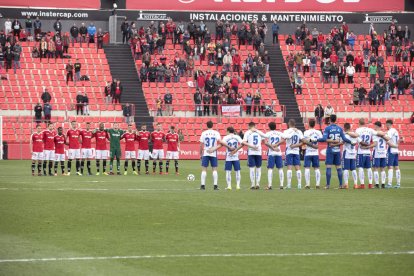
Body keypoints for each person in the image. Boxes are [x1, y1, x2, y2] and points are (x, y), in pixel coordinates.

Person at [314, 115, 353, 189]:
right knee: (338, 167)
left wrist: (316, 139)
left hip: (330, 149)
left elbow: (324, 139)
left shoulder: (327, 128)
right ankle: (341, 185)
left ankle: (328, 185)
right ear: (336, 120)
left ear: (329, 120)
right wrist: (351, 142)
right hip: (338, 150)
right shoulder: (340, 128)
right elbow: (344, 138)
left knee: (329, 166)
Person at [355, 118, 383, 189]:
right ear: (364, 123)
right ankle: (370, 184)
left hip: (361, 152)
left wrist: (364, 146)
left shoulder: (358, 130)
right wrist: (385, 134)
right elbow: (378, 133)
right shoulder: (370, 130)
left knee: (360, 168)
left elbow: (359, 140)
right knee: (369, 168)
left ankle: (362, 185)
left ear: (359, 123)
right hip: (368, 152)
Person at [366, 121, 395, 189]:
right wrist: (384, 135)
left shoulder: (375, 134)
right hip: (383, 153)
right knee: (383, 169)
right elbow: (388, 139)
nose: (374, 127)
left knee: (375, 168)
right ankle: (383, 184)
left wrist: (368, 146)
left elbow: (375, 143)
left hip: (377, 153)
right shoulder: (384, 133)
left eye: (374, 126)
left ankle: (376, 184)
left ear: (376, 126)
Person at [199, 120, 225, 190]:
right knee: (214, 169)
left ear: (206, 126)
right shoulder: (216, 133)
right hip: (213, 153)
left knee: (204, 169)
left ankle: (202, 185)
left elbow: (201, 145)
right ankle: (215, 185)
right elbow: (220, 142)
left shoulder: (204, 133)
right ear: (212, 125)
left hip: (206, 152)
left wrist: (200, 154)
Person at [243, 122, 267, 189]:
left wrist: (252, 146)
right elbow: (265, 138)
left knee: (252, 168)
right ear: (254, 126)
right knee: (258, 168)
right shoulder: (259, 132)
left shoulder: (247, 132)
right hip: (258, 152)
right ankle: (258, 184)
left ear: (249, 126)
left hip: (251, 152)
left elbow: (244, 142)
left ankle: (253, 184)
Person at [282, 119, 304, 189]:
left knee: (289, 168)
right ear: (295, 124)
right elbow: (303, 141)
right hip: (296, 151)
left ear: (289, 123)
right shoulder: (299, 131)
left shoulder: (287, 131)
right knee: (297, 168)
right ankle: (299, 184)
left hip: (289, 151)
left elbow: (284, 137)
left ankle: (289, 185)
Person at [302, 120, 323, 189]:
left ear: (308, 124)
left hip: (308, 152)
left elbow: (305, 141)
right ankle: (317, 184)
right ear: (314, 124)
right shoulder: (318, 132)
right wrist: (315, 143)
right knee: (316, 168)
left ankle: (307, 184)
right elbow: (321, 139)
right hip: (315, 152)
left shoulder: (306, 132)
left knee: (307, 168)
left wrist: (310, 141)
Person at [265, 122, 285, 189]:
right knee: (280, 169)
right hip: (278, 153)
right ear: (275, 127)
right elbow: (284, 139)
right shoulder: (279, 133)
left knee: (270, 169)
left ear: (269, 127)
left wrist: (273, 147)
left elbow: (265, 143)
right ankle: (281, 185)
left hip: (271, 153)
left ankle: (270, 185)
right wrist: (277, 144)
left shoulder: (268, 133)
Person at [342, 123, 361, 189]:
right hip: (353, 154)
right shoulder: (354, 135)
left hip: (347, 153)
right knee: (353, 169)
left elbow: (342, 142)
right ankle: (355, 184)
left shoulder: (345, 135)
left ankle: (346, 184)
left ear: (344, 128)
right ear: (350, 128)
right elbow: (360, 141)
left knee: (345, 169)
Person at [385, 120, 401, 188]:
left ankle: (389, 183)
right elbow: (398, 141)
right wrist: (397, 146)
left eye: (386, 125)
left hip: (391, 150)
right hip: (396, 150)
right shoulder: (395, 131)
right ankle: (398, 183)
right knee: (396, 167)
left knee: (390, 166)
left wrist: (383, 135)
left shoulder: (390, 131)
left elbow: (388, 138)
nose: (386, 126)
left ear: (388, 124)